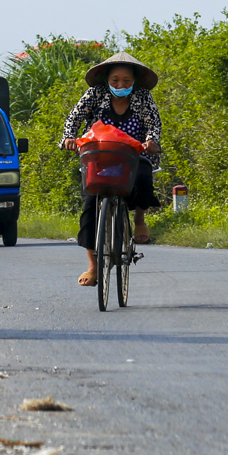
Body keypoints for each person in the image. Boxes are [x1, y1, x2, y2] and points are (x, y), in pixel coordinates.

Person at [60, 50, 163, 287]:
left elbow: (153, 124)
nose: (121, 84)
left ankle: (138, 218)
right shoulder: (94, 94)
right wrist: (68, 138)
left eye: (126, 80)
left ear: (134, 81)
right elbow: (73, 119)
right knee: (89, 205)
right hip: (99, 155)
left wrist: (151, 141)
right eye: (116, 80)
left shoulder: (143, 97)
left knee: (144, 175)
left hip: (135, 155)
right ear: (107, 79)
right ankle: (93, 266)